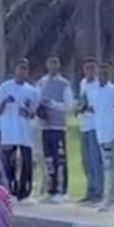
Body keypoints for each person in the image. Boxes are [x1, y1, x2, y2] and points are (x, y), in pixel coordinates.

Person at [0, 59, 39, 200]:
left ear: (27, 72)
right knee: (9, 162)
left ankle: (24, 191)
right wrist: (5, 101)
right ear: (15, 70)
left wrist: (28, 113)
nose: (22, 72)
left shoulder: (32, 91)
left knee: (26, 163)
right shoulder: (5, 87)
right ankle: (11, 187)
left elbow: (33, 113)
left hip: (25, 133)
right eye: (20, 69)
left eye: (25, 69)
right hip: (9, 132)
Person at [38, 56, 74, 202]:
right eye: (50, 64)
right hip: (45, 126)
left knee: (60, 158)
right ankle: (50, 189)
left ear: (58, 66)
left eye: (55, 64)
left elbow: (69, 106)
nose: (52, 67)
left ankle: (62, 190)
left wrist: (52, 104)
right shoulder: (41, 82)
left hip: (58, 127)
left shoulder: (64, 84)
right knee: (48, 159)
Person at [93, 62, 114, 212]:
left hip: (112, 135)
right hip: (101, 135)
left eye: (105, 73)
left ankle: (113, 200)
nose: (102, 76)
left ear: (110, 74)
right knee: (106, 168)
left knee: (111, 168)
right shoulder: (96, 91)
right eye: (101, 73)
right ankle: (106, 198)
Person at [76, 58, 102, 203]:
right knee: (86, 161)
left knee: (95, 159)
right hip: (84, 125)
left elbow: (101, 105)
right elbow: (82, 100)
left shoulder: (99, 85)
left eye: (92, 68)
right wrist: (80, 107)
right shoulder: (83, 83)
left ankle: (98, 191)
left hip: (95, 126)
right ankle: (90, 190)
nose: (89, 71)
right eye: (87, 68)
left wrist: (91, 108)